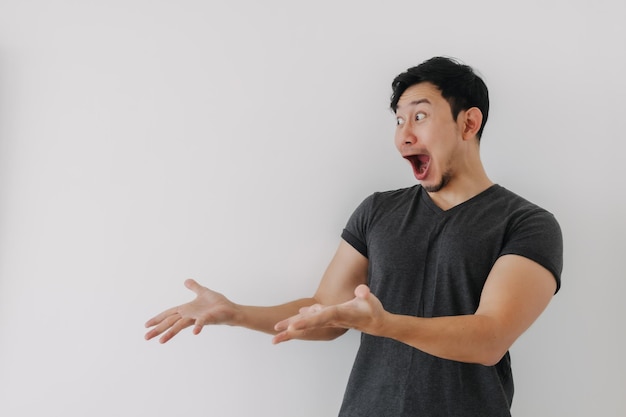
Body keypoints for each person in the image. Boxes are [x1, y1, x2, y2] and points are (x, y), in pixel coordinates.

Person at [145, 56, 563, 417]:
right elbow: (326, 312)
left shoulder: (527, 224)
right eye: (399, 120)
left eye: (420, 116)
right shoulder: (378, 210)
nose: (404, 134)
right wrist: (236, 313)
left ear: (469, 122)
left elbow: (489, 338)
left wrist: (385, 324)